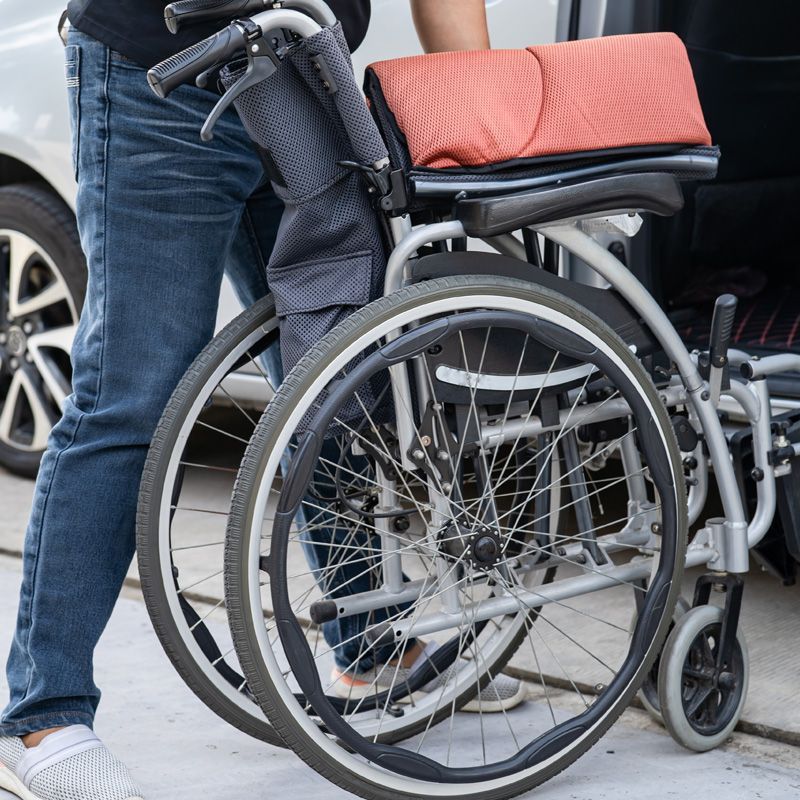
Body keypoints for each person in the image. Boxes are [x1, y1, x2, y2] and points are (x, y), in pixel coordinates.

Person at [0, 2, 522, 799]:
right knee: (132, 397)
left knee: (335, 378)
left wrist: (482, 117)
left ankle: (370, 646)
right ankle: (44, 715)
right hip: (161, 76)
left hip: (302, 76)